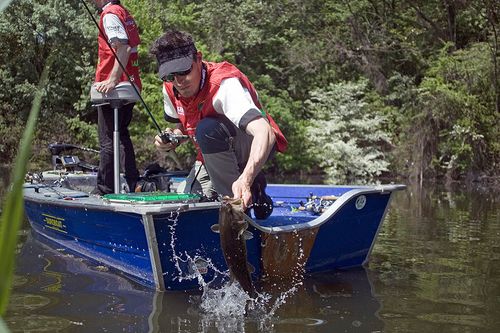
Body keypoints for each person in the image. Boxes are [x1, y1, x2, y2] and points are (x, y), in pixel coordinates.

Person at [150, 30, 288, 219]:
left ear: (198, 59)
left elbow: (265, 132)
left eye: (183, 71)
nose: (178, 81)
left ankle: (237, 212)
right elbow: (180, 127)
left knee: (207, 129)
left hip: (251, 144)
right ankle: (254, 189)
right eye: (170, 76)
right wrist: (170, 138)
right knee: (185, 200)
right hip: (211, 154)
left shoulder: (224, 84)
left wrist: (245, 180)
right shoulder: (170, 89)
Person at [92, 0, 140, 195]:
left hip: (115, 87)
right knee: (121, 136)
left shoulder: (110, 13)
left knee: (107, 139)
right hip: (129, 83)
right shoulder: (122, 12)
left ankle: (105, 189)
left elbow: (123, 47)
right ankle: (133, 182)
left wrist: (111, 80)